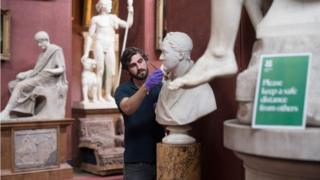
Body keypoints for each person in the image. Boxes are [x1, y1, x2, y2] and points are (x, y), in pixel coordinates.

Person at [155, 32, 216, 144]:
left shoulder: (202, 89)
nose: (160, 57)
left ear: (181, 55)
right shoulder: (165, 86)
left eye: (165, 52)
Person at [114, 47, 165, 180]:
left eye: (140, 61)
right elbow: (127, 108)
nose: (139, 67)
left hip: (162, 156)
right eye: (133, 65)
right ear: (127, 70)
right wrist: (146, 86)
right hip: (136, 161)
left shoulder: (160, 87)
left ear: (146, 60)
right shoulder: (122, 90)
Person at [0, 31, 67, 120]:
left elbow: (61, 69)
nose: (39, 45)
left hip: (48, 79)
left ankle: (6, 112)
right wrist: (25, 74)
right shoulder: (41, 55)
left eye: (40, 42)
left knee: (20, 85)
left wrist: (50, 71)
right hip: (40, 77)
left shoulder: (56, 50)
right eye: (37, 42)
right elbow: (36, 70)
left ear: (46, 39)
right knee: (14, 83)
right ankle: (18, 110)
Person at [81, 0, 134, 103]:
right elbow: (90, 36)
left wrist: (131, 11)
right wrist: (86, 53)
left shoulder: (113, 18)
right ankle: (98, 96)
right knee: (100, 70)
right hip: (99, 44)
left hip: (110, 44)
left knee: (110, 71)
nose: (111, 6)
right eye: (109, 4)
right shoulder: (95, 19)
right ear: (103, 6)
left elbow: (128, 24)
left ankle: (108, 95)